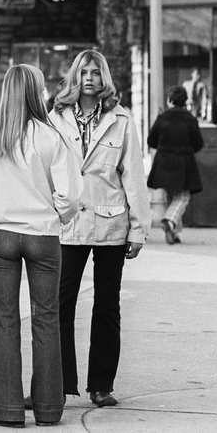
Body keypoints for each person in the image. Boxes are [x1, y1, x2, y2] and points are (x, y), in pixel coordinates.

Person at [0, 64, 81, 428]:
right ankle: (47, 410)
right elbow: (70, 195)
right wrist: (56, 216)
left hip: (1, 236)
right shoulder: (51, 136)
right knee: (47, 321)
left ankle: (8, 412)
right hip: (43, 236)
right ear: (36, 92)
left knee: (6, 322)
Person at [49, 49, 150, 408]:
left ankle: (101, 385)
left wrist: (138, 229)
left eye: (95, 72)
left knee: (107, 306)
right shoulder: (55, 117)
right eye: (83, 72)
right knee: (60, 303)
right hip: (68, 222)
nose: (89, 77)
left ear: (104, 76)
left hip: (111, 223)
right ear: (74, 77)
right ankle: (56, 383)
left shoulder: (121, 120)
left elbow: (134, 176)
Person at [147, 86, 204, 245]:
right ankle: (170, 221)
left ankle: (175, 233)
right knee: (183, 196)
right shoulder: (190, 119)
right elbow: (198, 143)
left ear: (170, 100)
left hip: (163, 162)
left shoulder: (162, 118)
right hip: (183, 162)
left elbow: (151, 141)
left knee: (170, 196)